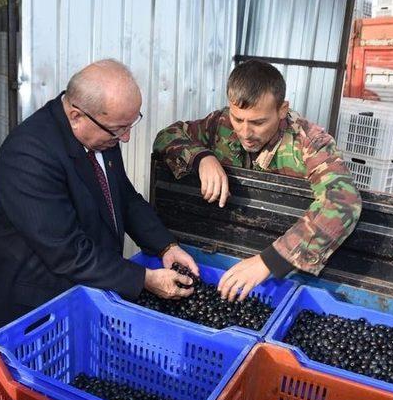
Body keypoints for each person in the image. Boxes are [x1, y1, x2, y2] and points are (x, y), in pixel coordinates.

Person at [0, 59, 199, 337]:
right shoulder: (28, 156)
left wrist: (165, 246)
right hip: (33, 313)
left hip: (83, 297)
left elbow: (124, 198)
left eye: (130, 125)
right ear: (76, 115)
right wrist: (145, 279)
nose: (126, 138)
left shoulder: (102, 134)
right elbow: (68, 251)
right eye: (119, 129)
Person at [154, 60, 362, 302]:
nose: (245, 132)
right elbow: (166, 136)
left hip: (285, 268)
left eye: (258, 122)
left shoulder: (309, 142)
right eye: (237, 119)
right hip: (227, 248)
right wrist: (201, 157)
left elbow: (343, 201)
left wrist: (271, 260)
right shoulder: (218, 124)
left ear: (282, 110)